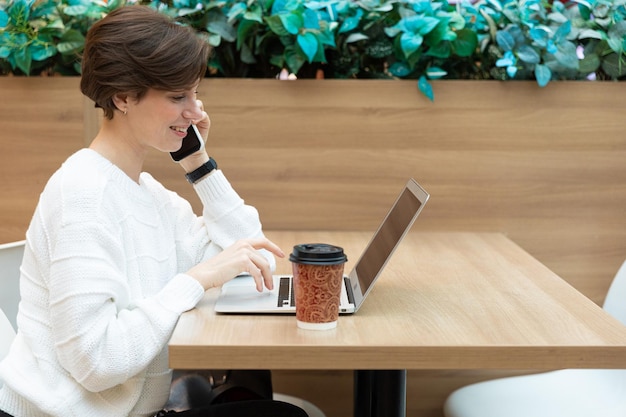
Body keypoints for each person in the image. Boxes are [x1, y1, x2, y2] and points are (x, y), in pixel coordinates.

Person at [0, 5, 307, 417]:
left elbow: (246, 250)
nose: (196, 112)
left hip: (130, 409)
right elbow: (96, 362)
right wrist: (195, 280)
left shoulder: (144, 191)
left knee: (259, 394)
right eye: (178, 96)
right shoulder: (82, 195)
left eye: (196, 94)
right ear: (123, 97)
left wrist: (199, 164)